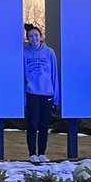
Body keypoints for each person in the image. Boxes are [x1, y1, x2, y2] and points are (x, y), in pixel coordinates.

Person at [23, 23, 59, 163]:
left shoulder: (49, 52)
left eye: (36, 35)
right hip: (32, 93)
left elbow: (54, 75)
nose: (34, 38)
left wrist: (56, 98)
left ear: (41, 36)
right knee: (32, 124)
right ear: (28, 38)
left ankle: (42, 152)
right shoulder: (24, 53)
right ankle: (32, 153)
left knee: (44, 125)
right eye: (31, 36)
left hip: (47, 94)